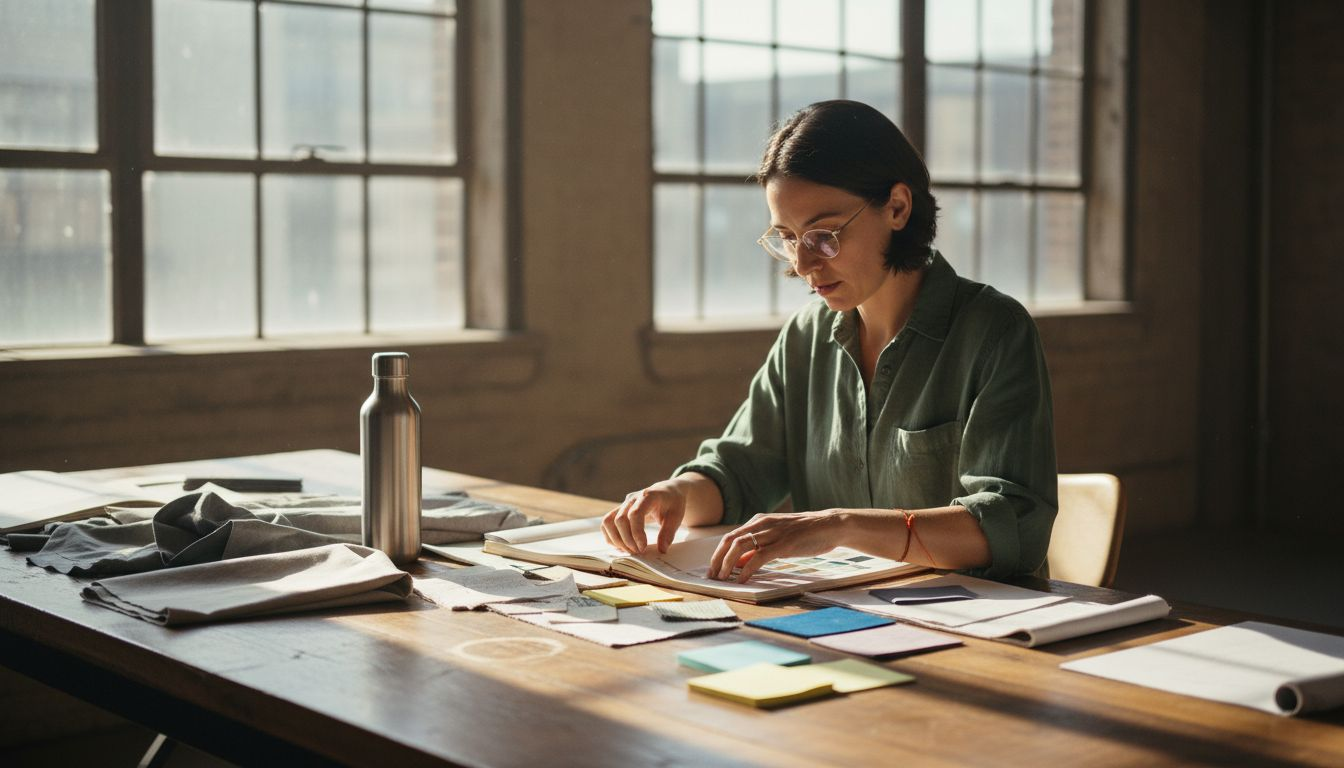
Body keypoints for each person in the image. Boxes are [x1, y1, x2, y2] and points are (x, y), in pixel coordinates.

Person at [603, 100, 1057, 583]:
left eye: (824, 235)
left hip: (979, 624)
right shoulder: (806, 336)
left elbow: (1014, 527)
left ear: (897, 208)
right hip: (841, 617)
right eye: (787, 237)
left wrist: (839, 526)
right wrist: (678, 492)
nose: (802, 265)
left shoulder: (993, 331)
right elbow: (738, 471)